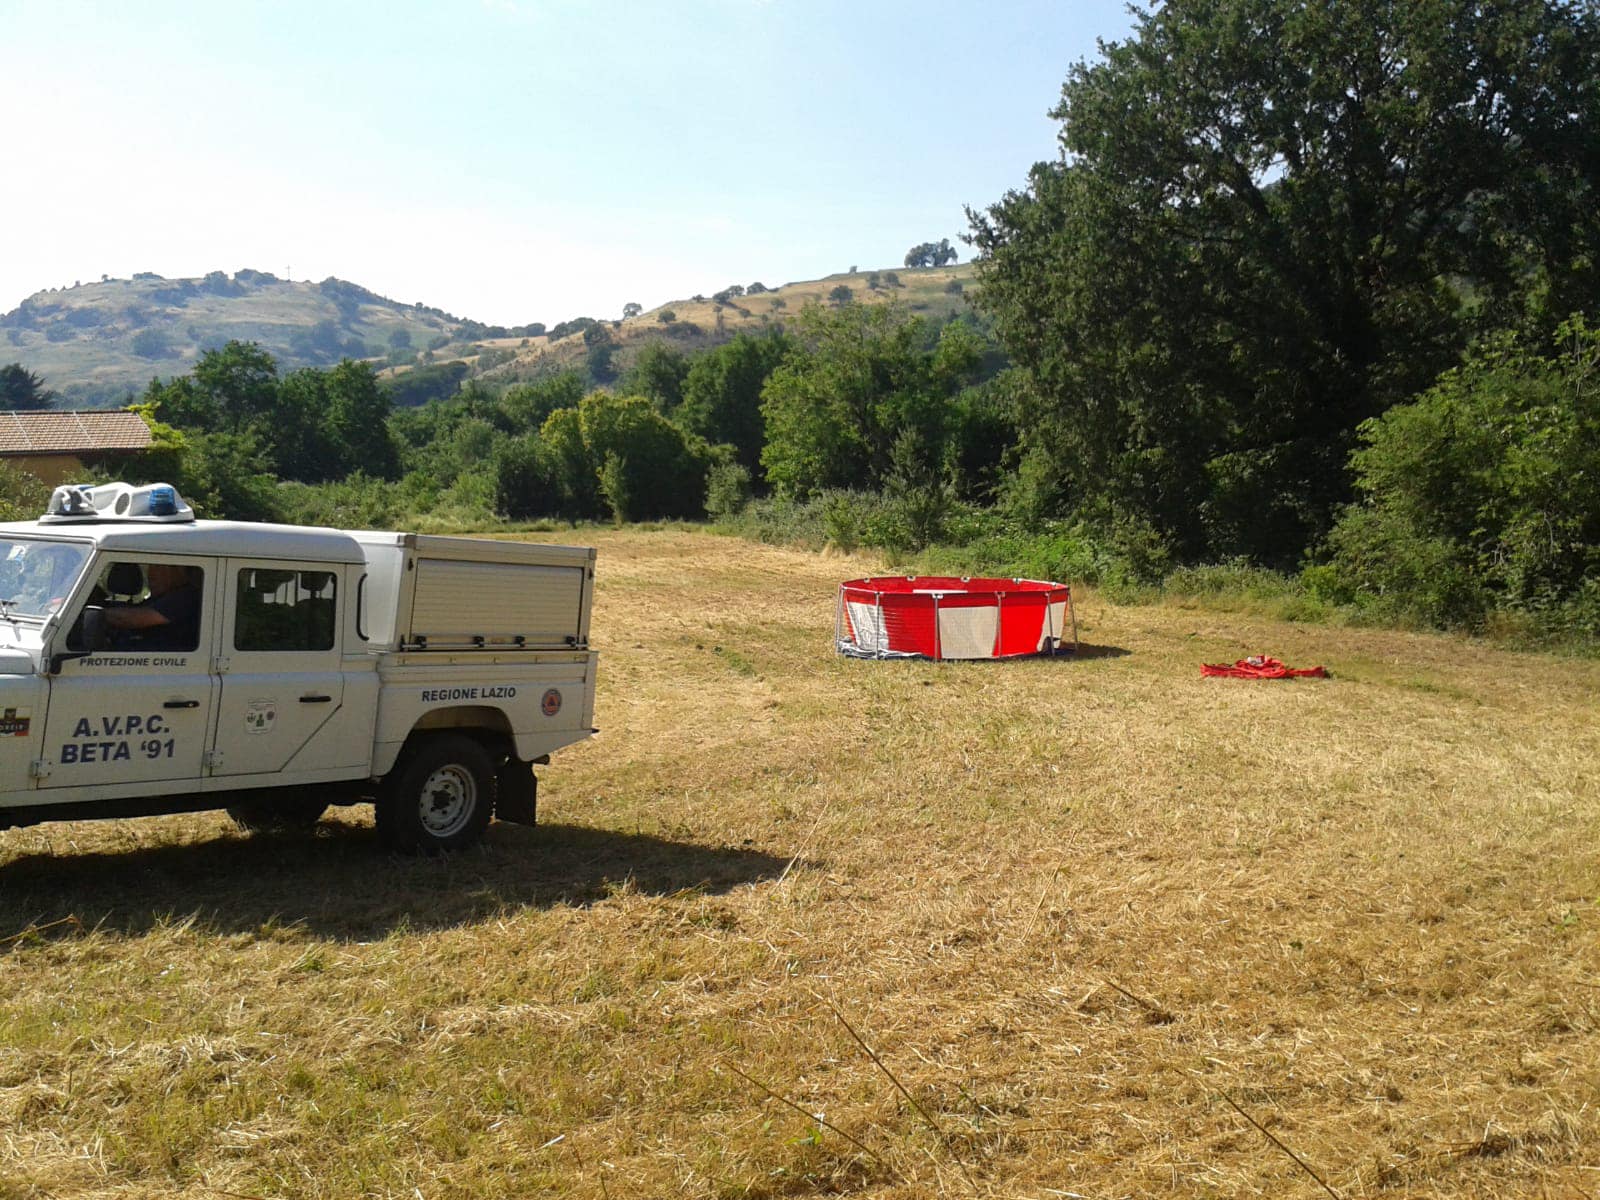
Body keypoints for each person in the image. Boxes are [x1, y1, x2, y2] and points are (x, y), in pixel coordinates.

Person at [104, 564, 203, 651]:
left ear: (177, 572)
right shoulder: (159, 598)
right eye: (151, 568)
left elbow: (134, 619)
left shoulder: (186, 597)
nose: (151, 575)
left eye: (158, 567)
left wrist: (98, 614)